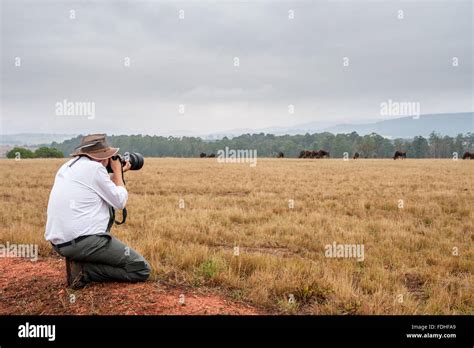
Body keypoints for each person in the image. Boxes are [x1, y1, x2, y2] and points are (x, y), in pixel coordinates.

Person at [45, 134, 150, 289]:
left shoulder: (68, 166)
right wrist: (118, 173)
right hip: (83, 242)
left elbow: (101, 187)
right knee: (141, 269)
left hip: (59, 243)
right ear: (102, 158)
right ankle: (84, 272)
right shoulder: (94, 169)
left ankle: (80, 262)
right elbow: (119, 202)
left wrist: (115, 174)